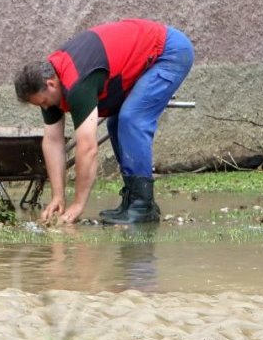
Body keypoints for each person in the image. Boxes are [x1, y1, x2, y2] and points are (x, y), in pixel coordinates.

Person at [14, 18, 194, 225]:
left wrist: (79, 204)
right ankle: (135, 201)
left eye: (44, 102)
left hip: (169, 52)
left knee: (131, 120)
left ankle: (142, 206)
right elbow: (53, 141)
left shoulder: (76, 82)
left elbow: (88, 147)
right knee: (116, 124)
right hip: (147, 56)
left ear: (51, 84)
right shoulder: (49, 85)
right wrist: (58, 196)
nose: (45, 108)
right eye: (40, 105)